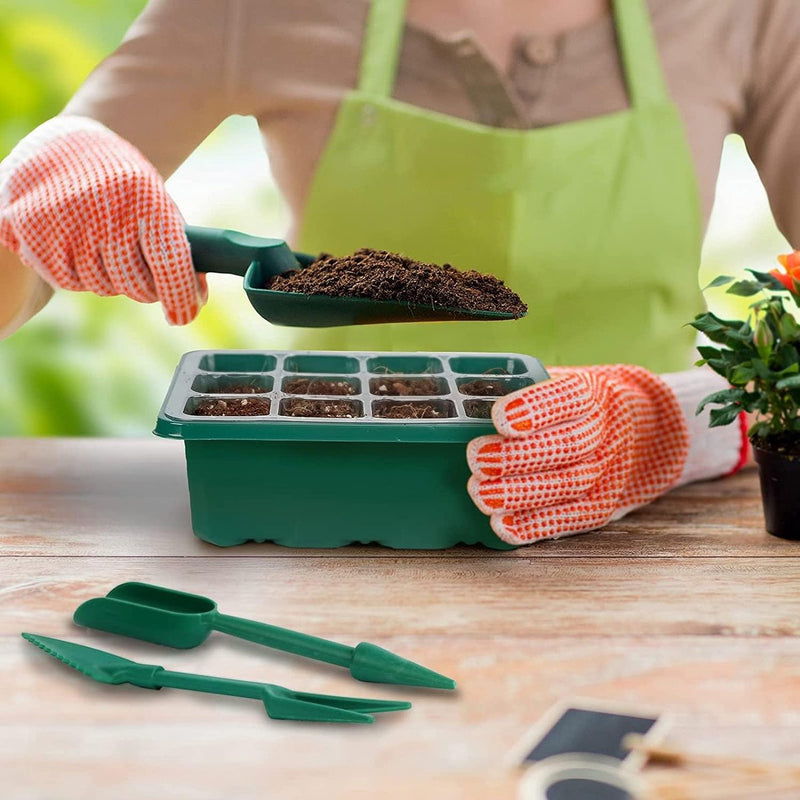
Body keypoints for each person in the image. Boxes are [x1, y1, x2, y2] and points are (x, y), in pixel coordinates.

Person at [2, 0, 797, 543]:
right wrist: (29, 197)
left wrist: (680, 424)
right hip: (337, 517)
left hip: (662, 535)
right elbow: (29, 264)